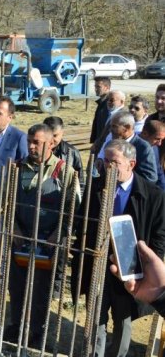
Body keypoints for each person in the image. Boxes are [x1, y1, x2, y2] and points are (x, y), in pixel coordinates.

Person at [79, 140, 165, 357]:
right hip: (98, 266)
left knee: (123, 319)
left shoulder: (153, 195)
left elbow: (160, 236)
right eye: (105, 161)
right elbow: (82, 225)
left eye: (114, 162)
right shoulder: (95, 188)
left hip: (129, 271)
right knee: (95, 317)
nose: (108, 167)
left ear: (131, 164)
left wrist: (145, 266)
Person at [4, 124, 79, 345]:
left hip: (48, 241)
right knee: (17, 287)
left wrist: (60, 233)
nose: (31, 146)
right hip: (21, 237)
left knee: (41, 290)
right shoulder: (19, 168)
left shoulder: (65, 172)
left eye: (37, 142)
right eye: (29, 141)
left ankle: (37, 331)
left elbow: (73, 209)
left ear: (52, 143)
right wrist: (14, 227)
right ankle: (16, 326)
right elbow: (7, 201)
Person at [97, 110, 158, 183]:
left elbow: (150, 177)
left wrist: (126, 179)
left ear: (127, 127)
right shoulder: (110, 144)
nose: (110, 130)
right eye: (111, 126)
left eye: (114, 126)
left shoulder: (143, 147)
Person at [110, 240, 165, 318]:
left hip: (140, 269)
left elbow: (159, 241)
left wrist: (160, 293)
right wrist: (159, 294)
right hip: (137, 271)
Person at [140, 120, 165, 190]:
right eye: (157, 139)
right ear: (145, 133)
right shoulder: (131, 145)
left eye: (161, 140)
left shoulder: (154, 148)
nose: (159, 144)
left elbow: (159, 171)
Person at [90, 76, 111, 143]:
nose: (95, 89)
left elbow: (105, 127)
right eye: (95, 87)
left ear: (107, 87)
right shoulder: (102, 103)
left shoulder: (108, 105)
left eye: (98, 87)